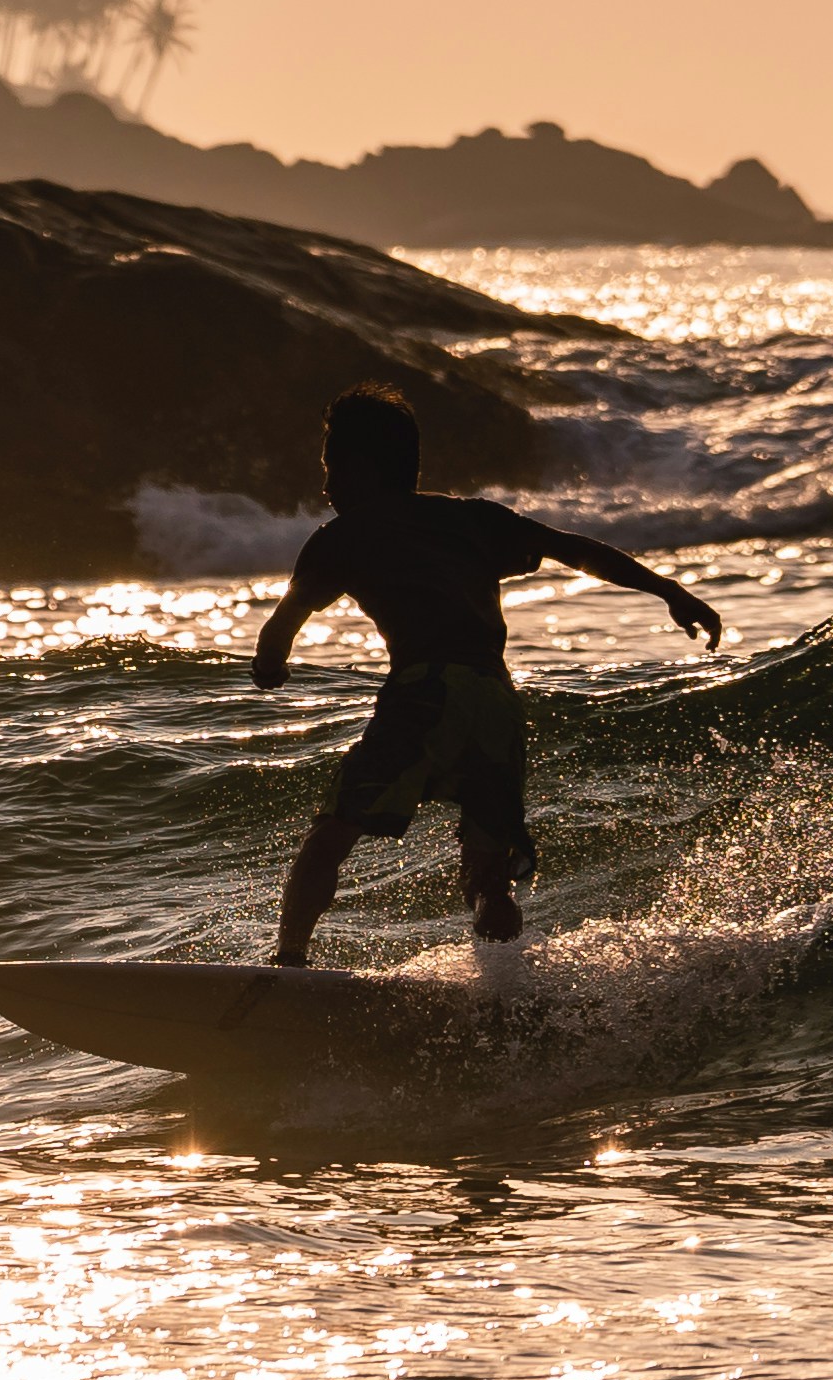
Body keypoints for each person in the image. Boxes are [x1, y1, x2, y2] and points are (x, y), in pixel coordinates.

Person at [252, 385, 723, 963]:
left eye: (333, 469)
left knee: (331, 834)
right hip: (497, 702)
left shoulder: (343, 536)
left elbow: (281, 628)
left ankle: (286, 961)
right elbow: (572, 549)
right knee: (488, 871)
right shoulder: (473, 520)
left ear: (366, 469)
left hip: (424, 694)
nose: (326, 488)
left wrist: (270, 666)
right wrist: (667, 590)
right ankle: (504, 981)